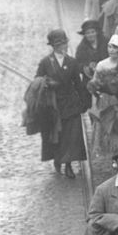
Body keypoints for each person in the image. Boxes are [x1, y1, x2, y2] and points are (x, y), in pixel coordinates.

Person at [36, 28, 89, 178]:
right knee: (57, 135)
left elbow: (78, 83)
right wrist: (46, 82)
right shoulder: (46, 62)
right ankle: (58, 159)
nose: (62, 46)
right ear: (52, 46)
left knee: (72, 135)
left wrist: (84, 101)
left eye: (64, 43)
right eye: (58, 44)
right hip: (53, 105)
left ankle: (68, 165)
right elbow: (37, 80)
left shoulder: (72, 62)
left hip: (71, 104)